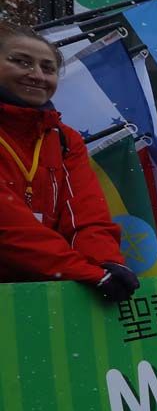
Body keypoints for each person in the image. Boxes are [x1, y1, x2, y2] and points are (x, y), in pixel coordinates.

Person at [0, 22, 137, 301]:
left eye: (48, 68)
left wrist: (106, 262)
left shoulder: (63, 139)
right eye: (21, 62)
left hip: (40, 296)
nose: (37, 75)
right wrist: (85, 272)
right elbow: (8, 228)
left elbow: (86, 215)